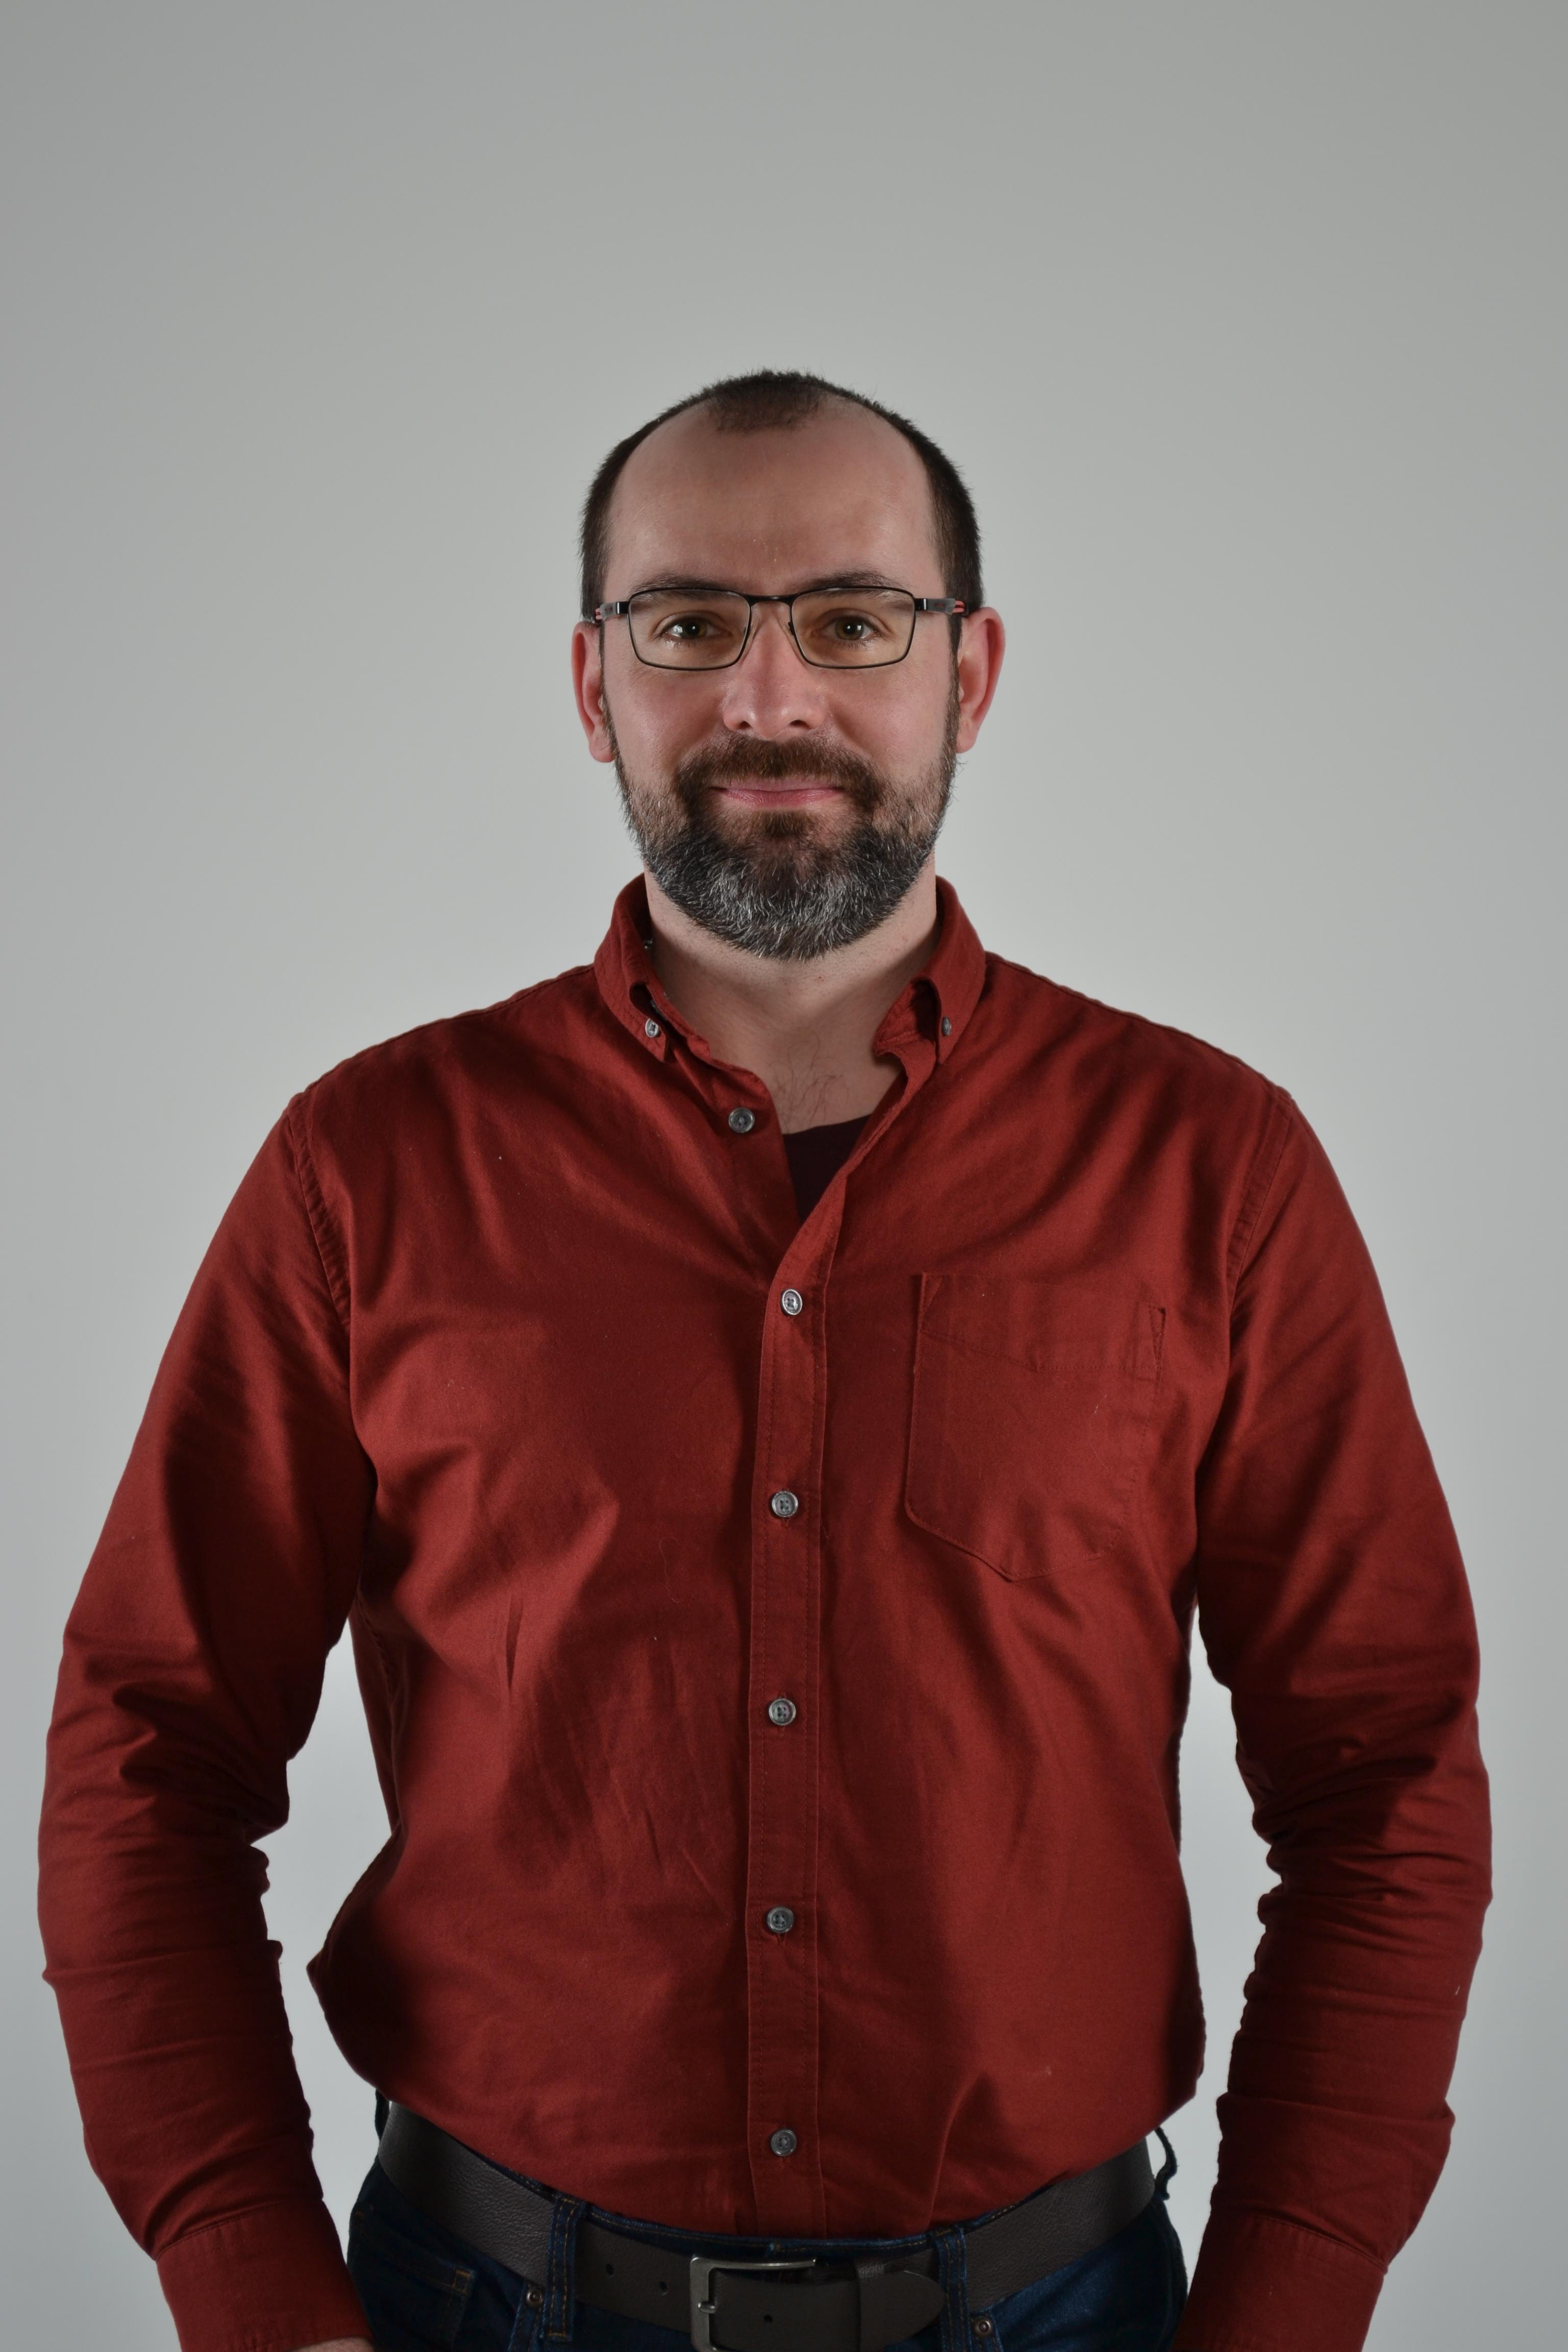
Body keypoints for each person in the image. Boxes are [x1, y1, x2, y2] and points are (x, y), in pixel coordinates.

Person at [39, 371, 1490, 2352]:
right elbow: (146, 1750)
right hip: (477, 2301)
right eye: (691, 622)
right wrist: (252, 2291)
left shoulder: (1212, 1170)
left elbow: (1384, 1774)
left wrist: (1288, 2307)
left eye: (854, 620)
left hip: (1062, 2310)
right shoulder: (365, 1171)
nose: (770, 694)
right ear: (594, 683)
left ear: (972, 675)